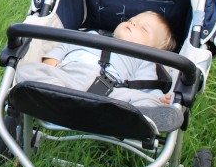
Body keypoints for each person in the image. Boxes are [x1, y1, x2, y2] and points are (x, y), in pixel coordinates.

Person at [14, 11, 177, 107]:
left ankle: (148, 115)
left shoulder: (144, 59)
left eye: (143, 29)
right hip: (69, 77)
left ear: (153, 50)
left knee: (146, 102)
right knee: (26, 70)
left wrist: (158, 98)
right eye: (131, 20)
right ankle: (53, 93)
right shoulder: (90, 35)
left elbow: (146, 85)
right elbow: (64, 46)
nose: (133, 23)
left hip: (112, 93)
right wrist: (51, 61)